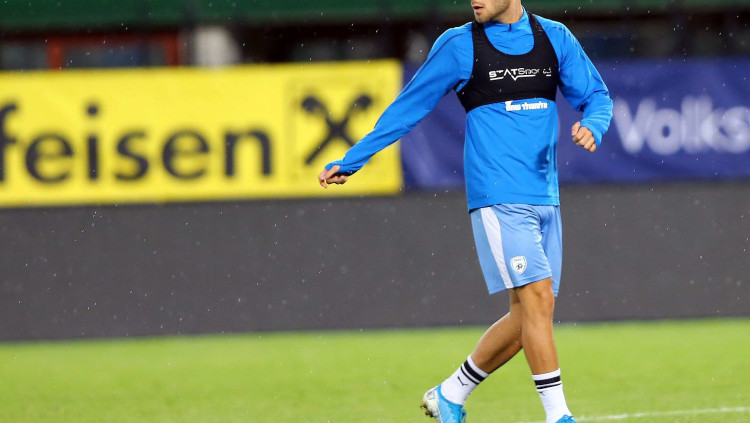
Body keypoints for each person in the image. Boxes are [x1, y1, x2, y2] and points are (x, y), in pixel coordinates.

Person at [317, 1, 613, 422]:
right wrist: (353, 159)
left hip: (546, 196)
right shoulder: (459, 45)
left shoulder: (554, 37)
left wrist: (594, 125)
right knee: (537, 300)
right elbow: (408, 107)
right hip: (497, 195)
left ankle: (451, 393)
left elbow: (597, 96)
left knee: (529, 316)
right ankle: (558, 415)